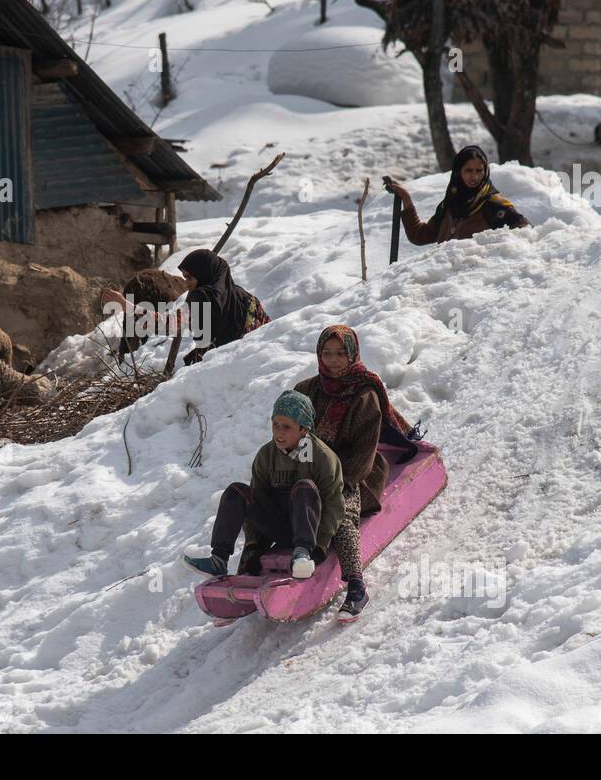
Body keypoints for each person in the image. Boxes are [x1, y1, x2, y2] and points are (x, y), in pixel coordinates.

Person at [294, 325, 422, 618]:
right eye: (327, 353)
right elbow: (293, 439)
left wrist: (333, 483)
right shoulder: (306, 390)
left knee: (339, 512)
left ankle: (356, 586)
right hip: (311, 473)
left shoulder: (364, 395)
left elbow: (364, 453)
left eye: (341, 353)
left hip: (356, 472)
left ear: (352, 354)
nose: (334, 360)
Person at [184, 391, 344, 583]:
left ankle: (302, 554)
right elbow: (255, 502)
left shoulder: (322, 458)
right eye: (275, 424)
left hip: (310, 530)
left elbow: (334, 504)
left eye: (287, 427)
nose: (279, 432)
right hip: (278, 525)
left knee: (304, 487)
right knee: (237, 491)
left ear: (303, 429)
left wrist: (320, 546)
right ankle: (219, 558)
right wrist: (253, 545)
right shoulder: (266, 455)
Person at [386, 145, 530, 246]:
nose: (474, 176)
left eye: (479, 170)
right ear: (458, 172)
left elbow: (527, 236)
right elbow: (420, 236)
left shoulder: (496, 206)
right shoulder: (449, 205)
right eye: (468, 170)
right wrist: (406, 198)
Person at [175, 249, 269, 366]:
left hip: (225, 369)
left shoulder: (201, 297)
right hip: (252, 364)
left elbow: (178, 321)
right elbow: (269, 331)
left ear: (203, 274)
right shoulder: (246, 298)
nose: (186, 284)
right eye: (185, 278)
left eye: (189, 278)